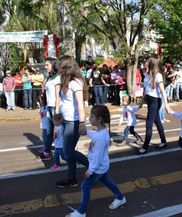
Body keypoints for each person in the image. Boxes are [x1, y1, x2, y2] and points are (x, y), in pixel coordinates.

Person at [66, 105, 126, 217]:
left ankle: (81, 212)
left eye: (91, 117)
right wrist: (87, 132)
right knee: (107, 182)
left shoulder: (101, 137)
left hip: (98, 168)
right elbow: (95, 136)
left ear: (99, 119)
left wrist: (91, 170)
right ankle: (120, 198)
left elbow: (97, 156)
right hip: (102, 166)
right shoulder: (100, 131)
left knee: (85, 187)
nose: (89, 119)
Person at [56, 55, 89, 188]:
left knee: (68, 151)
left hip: (74, 121)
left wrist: (82, 123)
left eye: (60, 66)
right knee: (69, 152)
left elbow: (80, 104)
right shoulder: (66, 81)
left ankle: (93, 166)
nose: (57, 69)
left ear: (66, 67)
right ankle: (71, 178)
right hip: (66, 120)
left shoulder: (76, 83)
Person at [135, 57, 171, 154]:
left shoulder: (158, 75)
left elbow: (162, 91)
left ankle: (145, 147)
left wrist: (166, 105)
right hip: (149, 99)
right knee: (157, 121)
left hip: (156, 100)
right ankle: (163, 142)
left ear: (152, 64)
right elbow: (146, 90)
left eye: (147, 61)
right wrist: (142, 101)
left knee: (149, 123)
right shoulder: (147, 74)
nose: (145, 63)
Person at [36, 57, 60, 159]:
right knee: (49, 131)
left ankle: (71, 152)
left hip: (55, 107)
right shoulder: (49, 78)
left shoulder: (58, 78)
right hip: (49, 107)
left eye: (47, 65)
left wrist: (57, 111)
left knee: (60, 131)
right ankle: (47, 153)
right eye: (45, 65)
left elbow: (58, 96)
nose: (45, 67)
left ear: (53, 65)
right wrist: (45, 107)